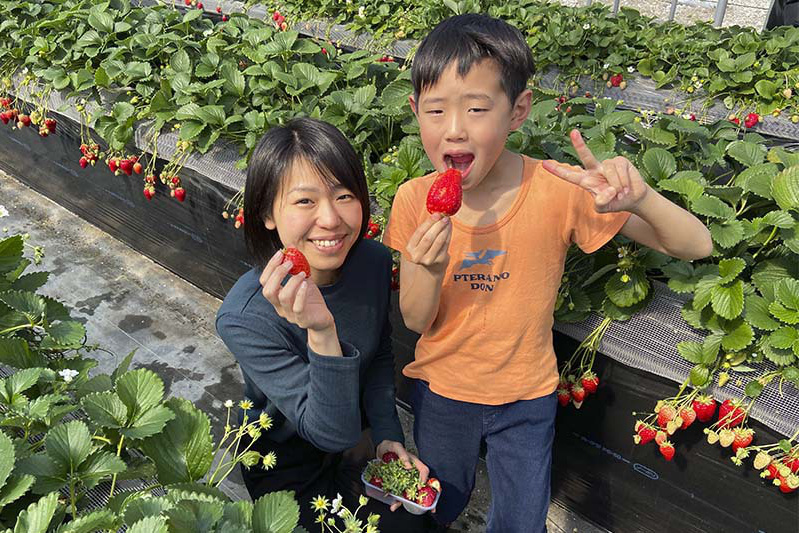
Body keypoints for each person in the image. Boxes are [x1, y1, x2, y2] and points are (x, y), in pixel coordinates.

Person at [382, 14, 713, 533]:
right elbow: (417, 320)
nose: (455, 128)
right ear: (415, 113)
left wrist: (643, 198)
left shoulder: (557, 190)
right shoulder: (412, 199)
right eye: (436, 110)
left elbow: (696, 245)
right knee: (440, 503)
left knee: (521, 521)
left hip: (527, 397)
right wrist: (426, 266)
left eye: (476, 108)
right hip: (444, 393)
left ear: (518, 110)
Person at [216, 117, 436, 532]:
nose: (331, 219)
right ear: (267, 212)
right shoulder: (245, 317)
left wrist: (389, 435)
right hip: (285, 463)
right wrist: (321, 332)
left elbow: (378, 354)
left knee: (414, 526)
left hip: (358, 439)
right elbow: (327, 433)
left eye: (344, 195)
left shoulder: (371, 263)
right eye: (304, 201)